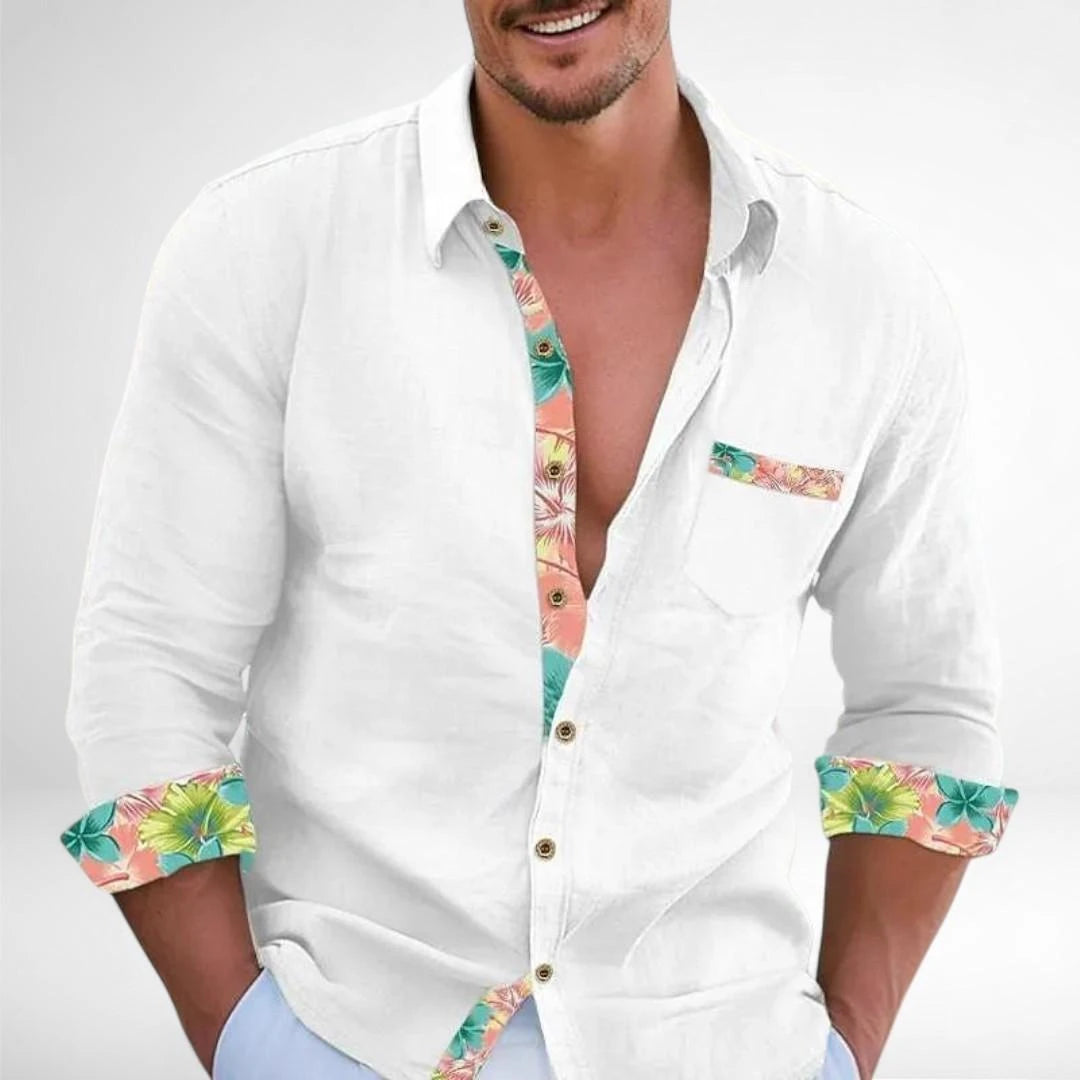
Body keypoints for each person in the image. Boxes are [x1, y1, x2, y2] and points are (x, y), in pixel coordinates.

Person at [57, 2, 1019, 1078]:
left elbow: (927, 702)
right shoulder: (267, 246)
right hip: (354, 1034)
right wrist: (247, 1039)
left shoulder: (866, 298)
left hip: (730, 1045)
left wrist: (846, 1048)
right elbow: (148, 662)